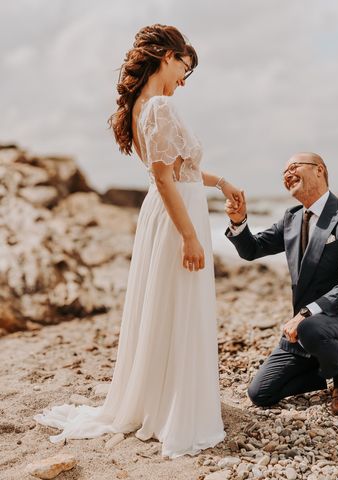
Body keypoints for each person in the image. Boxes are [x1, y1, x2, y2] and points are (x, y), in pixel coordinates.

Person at [34, 24, 240, 458]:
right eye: (186, 66)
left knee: (166, 305)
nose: (186, 77)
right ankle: (175, 407)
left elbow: (177, 170)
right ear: (168, 55)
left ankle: (162, 399)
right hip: (175, 217)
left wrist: (220, 182)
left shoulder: (142, 107)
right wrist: (189, 236)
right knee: (177, 304)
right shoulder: (160, 107)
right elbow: (165, 179)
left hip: (167, 211)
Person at [225, 152, 338, 415]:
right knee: (261, 394)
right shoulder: (292, 218)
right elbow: (253, 249)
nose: (287, 175)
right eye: (283, 172)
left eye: (294, 167)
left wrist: (308, 312)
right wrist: (239, 221)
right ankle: (327, 364)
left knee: (310, 327)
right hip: (308, 326)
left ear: (319, 170)